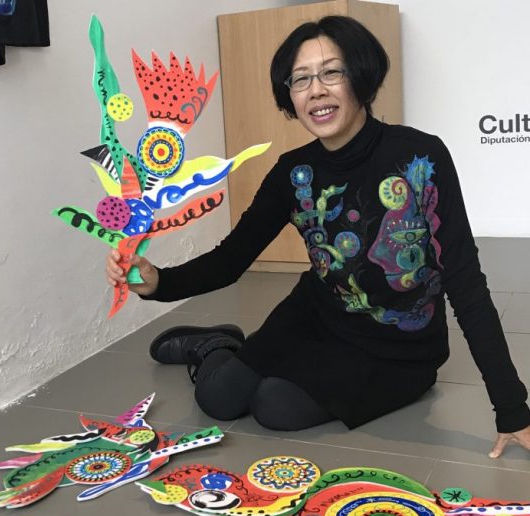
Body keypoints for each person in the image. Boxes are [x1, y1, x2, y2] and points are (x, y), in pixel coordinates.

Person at [106, 15, 530, 459]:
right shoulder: (293, 171)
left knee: (274, 406)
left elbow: (465, 282)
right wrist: (160, 282)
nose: (316, 91)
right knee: (219, 397)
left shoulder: (420, 156)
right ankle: (216, 344)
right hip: (317, 315)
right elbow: (232, 258)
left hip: (399, 348)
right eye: (301, 79)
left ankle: (251, 357)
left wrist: (511, 407)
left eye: (331, 72)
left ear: (360, 77)